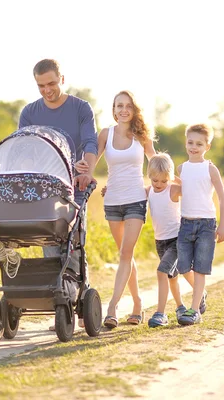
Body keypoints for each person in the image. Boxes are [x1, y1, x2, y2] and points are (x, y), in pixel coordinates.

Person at [19, 58, 98, 330]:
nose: (47, 90)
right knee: (50, 246)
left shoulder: (80, 108)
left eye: (51, 83)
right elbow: (25, 149)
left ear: (62, 79)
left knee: (73, 244)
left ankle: (73, 298)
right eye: (41, 85)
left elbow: (90, 141)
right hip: (44, 190)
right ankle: (60, 302)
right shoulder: (29, 112)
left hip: (74, 188)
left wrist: (86, 170)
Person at [76, 90, 156, 329]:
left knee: (125, 254)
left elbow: (156, 162)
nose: (123, 110)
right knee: (125, 254)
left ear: (134, 110)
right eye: (119, 106)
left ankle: (112, 307)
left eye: (128, 106)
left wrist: (163, 184)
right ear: (113, 109)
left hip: (135, 200)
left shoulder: (142, 136)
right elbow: (92, 161)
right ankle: (139, 304)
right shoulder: (105, 134)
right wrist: (81, 169)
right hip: (112, 202)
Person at [144, 153, 206, 327]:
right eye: (155, 180)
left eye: (164, 181)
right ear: (149, 176)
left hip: (177, 239)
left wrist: (175, 179)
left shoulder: (173, 189)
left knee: (162, 272)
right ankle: (182, 305)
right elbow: (131, 194)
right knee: (174, 276)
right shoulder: (148, 191)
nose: (159, 185)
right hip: (160, 241)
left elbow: (192, 188)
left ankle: (160, 313)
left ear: (170, 178)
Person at [176, 123, 224, 326]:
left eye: (199, 143)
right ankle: (201, 294)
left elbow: (223, 198)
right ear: (185, 143)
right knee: (182, 266)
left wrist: (222, 226)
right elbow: (170, 191)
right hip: (185, 224)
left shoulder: (211, 169)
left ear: (208, 146)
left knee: (200, 268)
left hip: (207, 225)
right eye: (190, 142)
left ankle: (194, 309)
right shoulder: (181, 169)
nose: (194, 147)